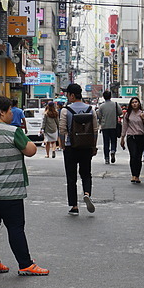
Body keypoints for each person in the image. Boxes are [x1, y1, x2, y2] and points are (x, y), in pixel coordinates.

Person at [0, 96, 49, 276]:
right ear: (1, 112)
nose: (10, 114)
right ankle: (25, 264)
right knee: (15, 227)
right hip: (10, 191)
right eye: (9, 111)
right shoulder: (12, 132)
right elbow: (31, 151)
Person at [58, 83, 98, 215]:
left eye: (68, 94)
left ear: (72, 95)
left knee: (71, 177)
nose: (67, 97)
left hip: (71, 147)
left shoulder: (65, 110)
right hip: (86, 147)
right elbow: (95, 130)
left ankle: (74, 206)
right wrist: (93, 146)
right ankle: (87, 193)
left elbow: (62, 130)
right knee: (86, 173)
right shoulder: (90, 110)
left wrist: (63, 145)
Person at [120, 97, 144, 184]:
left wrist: (143, 119)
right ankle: (133, 175)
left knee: (138, 157)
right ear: (130, 104)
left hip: (140, 137)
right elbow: (124, 126)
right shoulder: (128, 114)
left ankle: (137, 176)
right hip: (131, 137)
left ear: (139, 103)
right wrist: (122, 138)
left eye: (136, 102)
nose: (134, 104)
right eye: (133, 102)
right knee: (133, 156)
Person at [97, 91, 121, 165]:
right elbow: (120, 113)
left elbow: (99, 116)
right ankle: (113, 150)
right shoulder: (115, 104)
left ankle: (107, 158)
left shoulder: (101, 106)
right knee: (114, 140)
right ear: (110, 96)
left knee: (106, 143)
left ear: (103, 97)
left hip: (105, 126)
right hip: (114, 126)